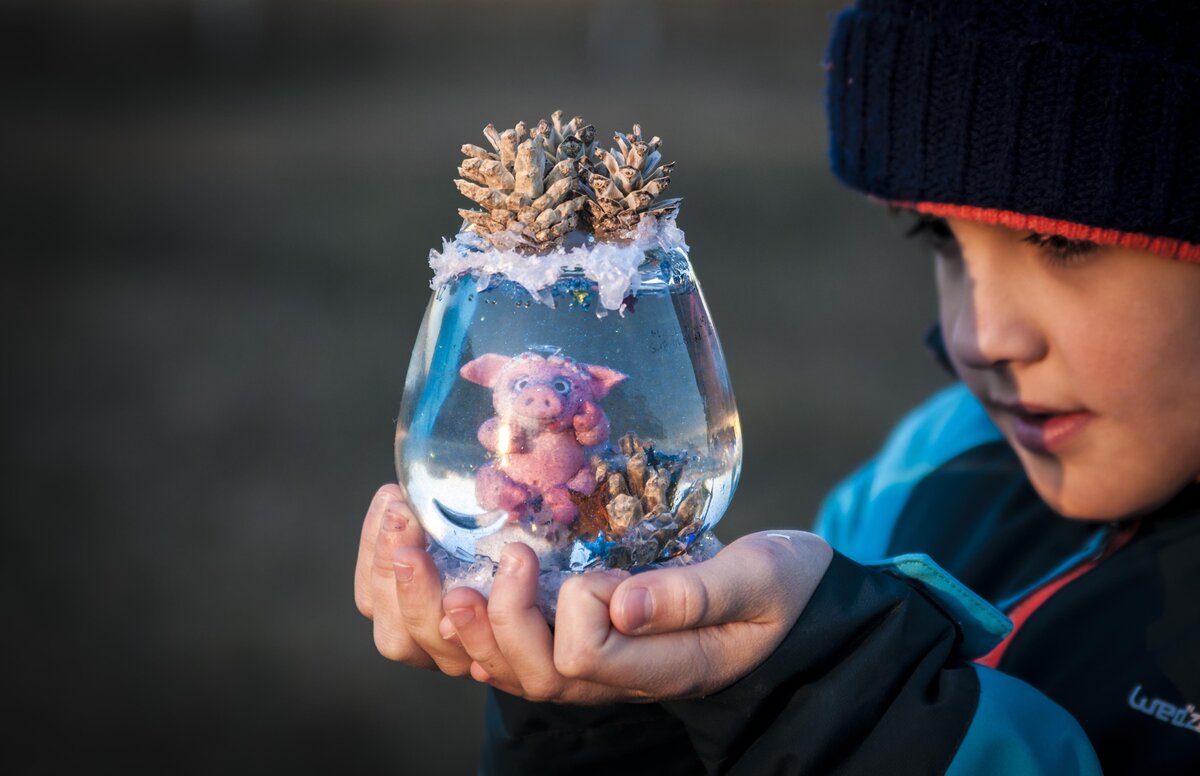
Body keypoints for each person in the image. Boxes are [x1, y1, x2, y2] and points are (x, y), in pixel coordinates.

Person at [354, 1, 1200, 772]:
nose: (979, 336)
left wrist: (839, 697)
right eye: (940, 238)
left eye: (1062, 245)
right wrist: (620, 705)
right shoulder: (927, 474)